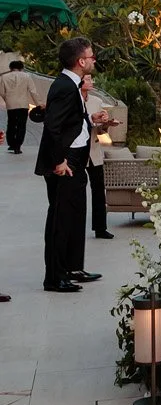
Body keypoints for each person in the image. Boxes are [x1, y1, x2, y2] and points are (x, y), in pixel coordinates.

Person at [35, 37, 104, 292]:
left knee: (74, 216)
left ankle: (71, 268)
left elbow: (68, 122)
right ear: (81, 61)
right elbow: (52, 127)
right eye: (91, 55)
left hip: (76, 159)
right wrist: (59, 161)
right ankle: (54, 277)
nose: (94, 59)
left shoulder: (72, 84)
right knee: (60, 220)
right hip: (65, 162)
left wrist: (89, 118)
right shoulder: (64, 86)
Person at [81, 73, 116, 240]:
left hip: (94, 152)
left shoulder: (96, 101)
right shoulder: (71, 99)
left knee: (98, 191)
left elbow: (100, 130)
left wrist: (106, 124)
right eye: (88, 79)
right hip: (77, 153)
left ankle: (100, 228)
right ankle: (74, 227)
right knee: (77, 193)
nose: (92, 81)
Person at [0, 58, 35, 154]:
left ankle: (11, 144)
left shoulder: (4, 77)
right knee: (21, 125)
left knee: (11, 123)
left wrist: (7, 99)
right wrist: (39, 103)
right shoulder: (27, 76)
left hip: (11, 104)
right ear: (21, 68)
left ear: (11, 68)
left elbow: (2, 92)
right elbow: (33, 91)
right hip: (23, 104)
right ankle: (18, 146)